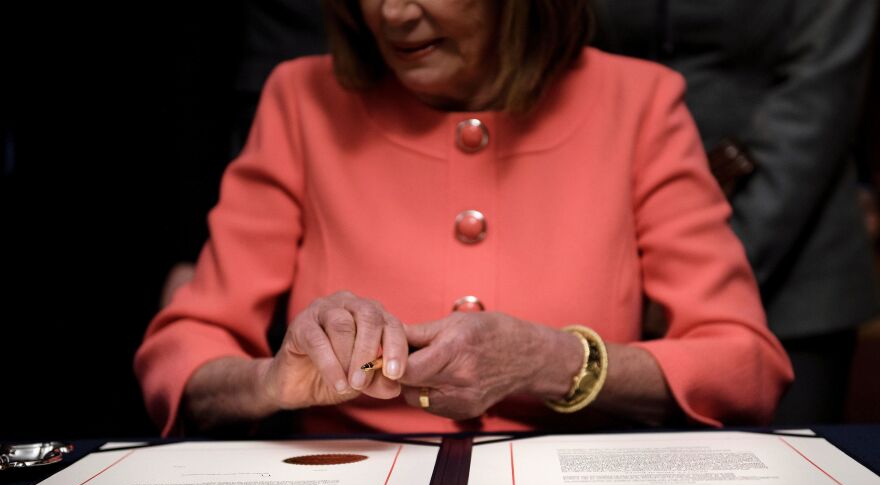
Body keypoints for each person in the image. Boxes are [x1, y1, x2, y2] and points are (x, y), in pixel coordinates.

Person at [135, 0, 793, 437]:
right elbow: (186, 347)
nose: (392, 12)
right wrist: (269, 381)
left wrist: (557, 362)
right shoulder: (300, 99)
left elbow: (745, 366)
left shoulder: (638, 101)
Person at [590, 0, 880, 424]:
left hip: (792, 255)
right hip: (611, 243)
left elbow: (818, 99)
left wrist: (699, 264)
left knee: (785, 476)